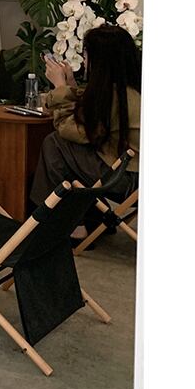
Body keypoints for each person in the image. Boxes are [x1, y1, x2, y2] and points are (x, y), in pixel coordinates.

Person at [30, 23, 141, 237]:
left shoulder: (117, 96)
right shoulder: (129, 89)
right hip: (133, 174)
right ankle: (89, 218)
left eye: (87, 55)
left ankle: (66, 225)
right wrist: (70, 84)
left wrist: (60, 88)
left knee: (55, 144)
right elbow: (90, 117)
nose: (84, 60)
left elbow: (74, 131)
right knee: (65, 150)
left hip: (128, 180)